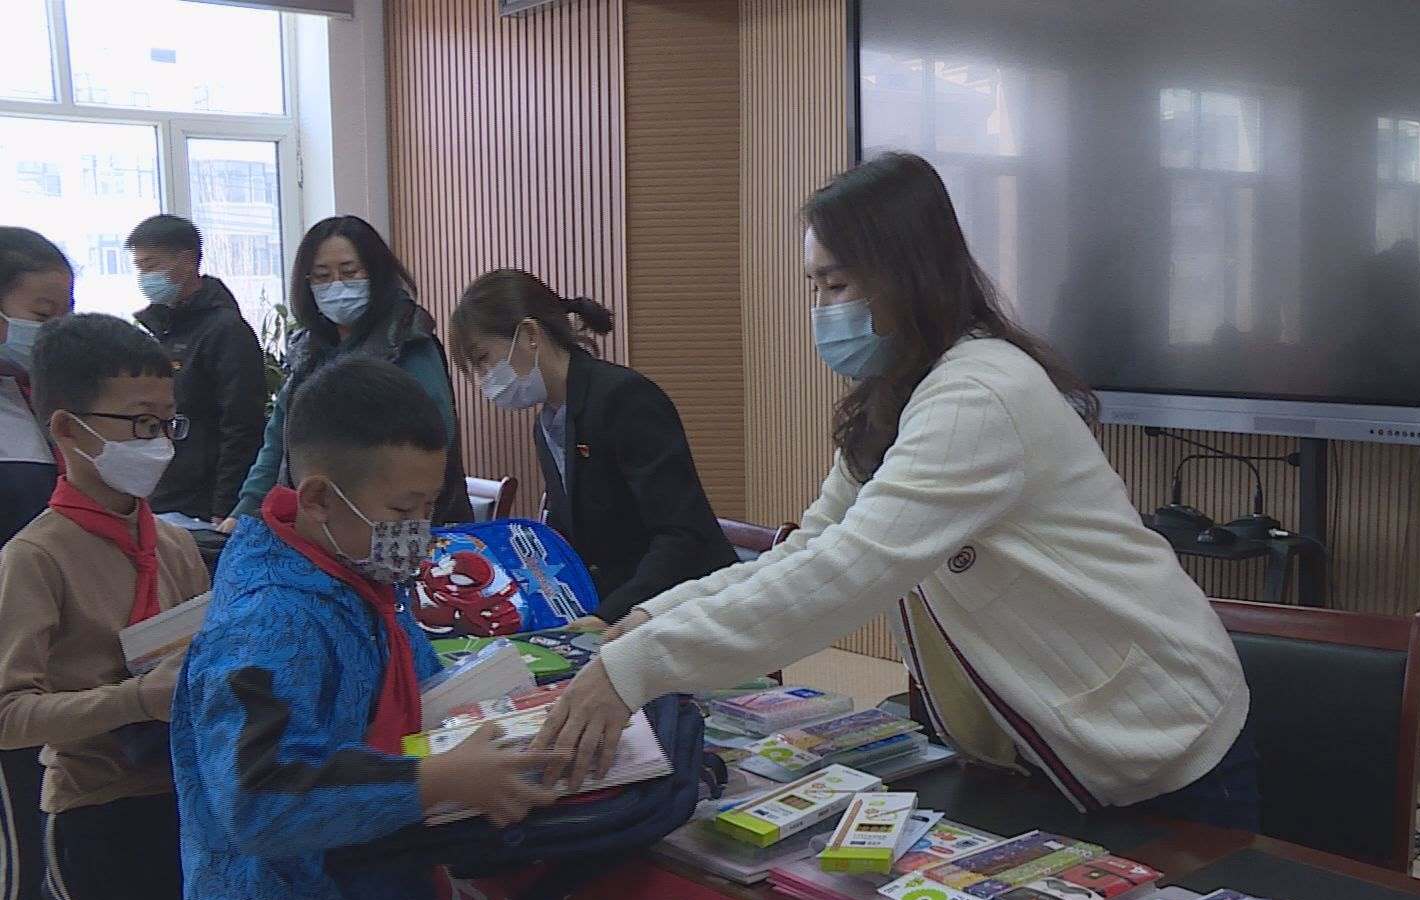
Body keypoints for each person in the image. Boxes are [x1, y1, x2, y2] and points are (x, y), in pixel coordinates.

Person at [541, 152, 1258, 827]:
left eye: (838, 285)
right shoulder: (900, 394)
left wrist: (639, 667)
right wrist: (647, 619)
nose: (822, 309)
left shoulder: (978, 393)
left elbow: (846, 573)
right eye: (814, 287)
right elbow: (808, 549)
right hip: (1042, 744)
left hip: (1155, 741)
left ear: (907, 275)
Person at [171, 359, 563, 900]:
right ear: (320, 498)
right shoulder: (268, 620)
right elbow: (258, 794)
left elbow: (424, 687)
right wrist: (437, 780)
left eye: (429, 508)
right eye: (404, 512)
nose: (420, 533)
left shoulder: (357, 571)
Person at [0, 314, 236, 900]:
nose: (159, 444)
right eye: (139, 425)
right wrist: (130, 703)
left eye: (168, 424)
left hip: (187, 810)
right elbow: (9, 714)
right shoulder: (35, 558)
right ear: (68, 429)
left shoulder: (174, 544)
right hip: (97, 818)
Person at [446, 270, 737, 630]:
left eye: (483, 359)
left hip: (682, 612)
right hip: (616, 610)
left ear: (531, 335)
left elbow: (683, 534)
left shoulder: (624, 398)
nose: (483, 380)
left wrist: (608, 616)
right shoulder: (547, 425)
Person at [224, 215, 472, 530]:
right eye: (322, 276)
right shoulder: (306, 349)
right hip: (318, 523)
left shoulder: (409, 342)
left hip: (397, 526)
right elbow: (277, 440)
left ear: (376, 273)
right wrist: (244, 513)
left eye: (350, 272)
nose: (337, 285)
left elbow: (432, 444)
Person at [0, 227, 76, 900]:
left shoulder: (37, 401)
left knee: (55, 849)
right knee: (27, 857)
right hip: (13, 672)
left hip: (66, 662)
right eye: (41, 312)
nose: (54, 330)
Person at [127, 213, 267, 524]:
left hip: (202, 504)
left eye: (151, 265)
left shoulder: (225, 330)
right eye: (140, 268)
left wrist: (225, 507)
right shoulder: (162, 330)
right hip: (163, 494)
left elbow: (242, 424)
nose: (145, 277)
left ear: (188, 261)